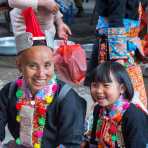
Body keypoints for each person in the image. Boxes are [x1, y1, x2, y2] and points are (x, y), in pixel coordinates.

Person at [0, 7, 86, 148]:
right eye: (33, 66)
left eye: (47, 65)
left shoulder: (65, 98)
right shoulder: (9, 92)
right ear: (19, 65)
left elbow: (71, 142)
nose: (41, 74)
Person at [85, 0, 147, 108]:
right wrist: (118, 59)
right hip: (116, 50)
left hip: (121, 46)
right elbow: (116, 19)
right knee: (118, 92)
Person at [82, 61, 148, 147]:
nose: (98, 91)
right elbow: (93, 141)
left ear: (122, 88)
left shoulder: (134, 117)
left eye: (106, 85)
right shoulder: (98, 109)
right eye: (95, 85)